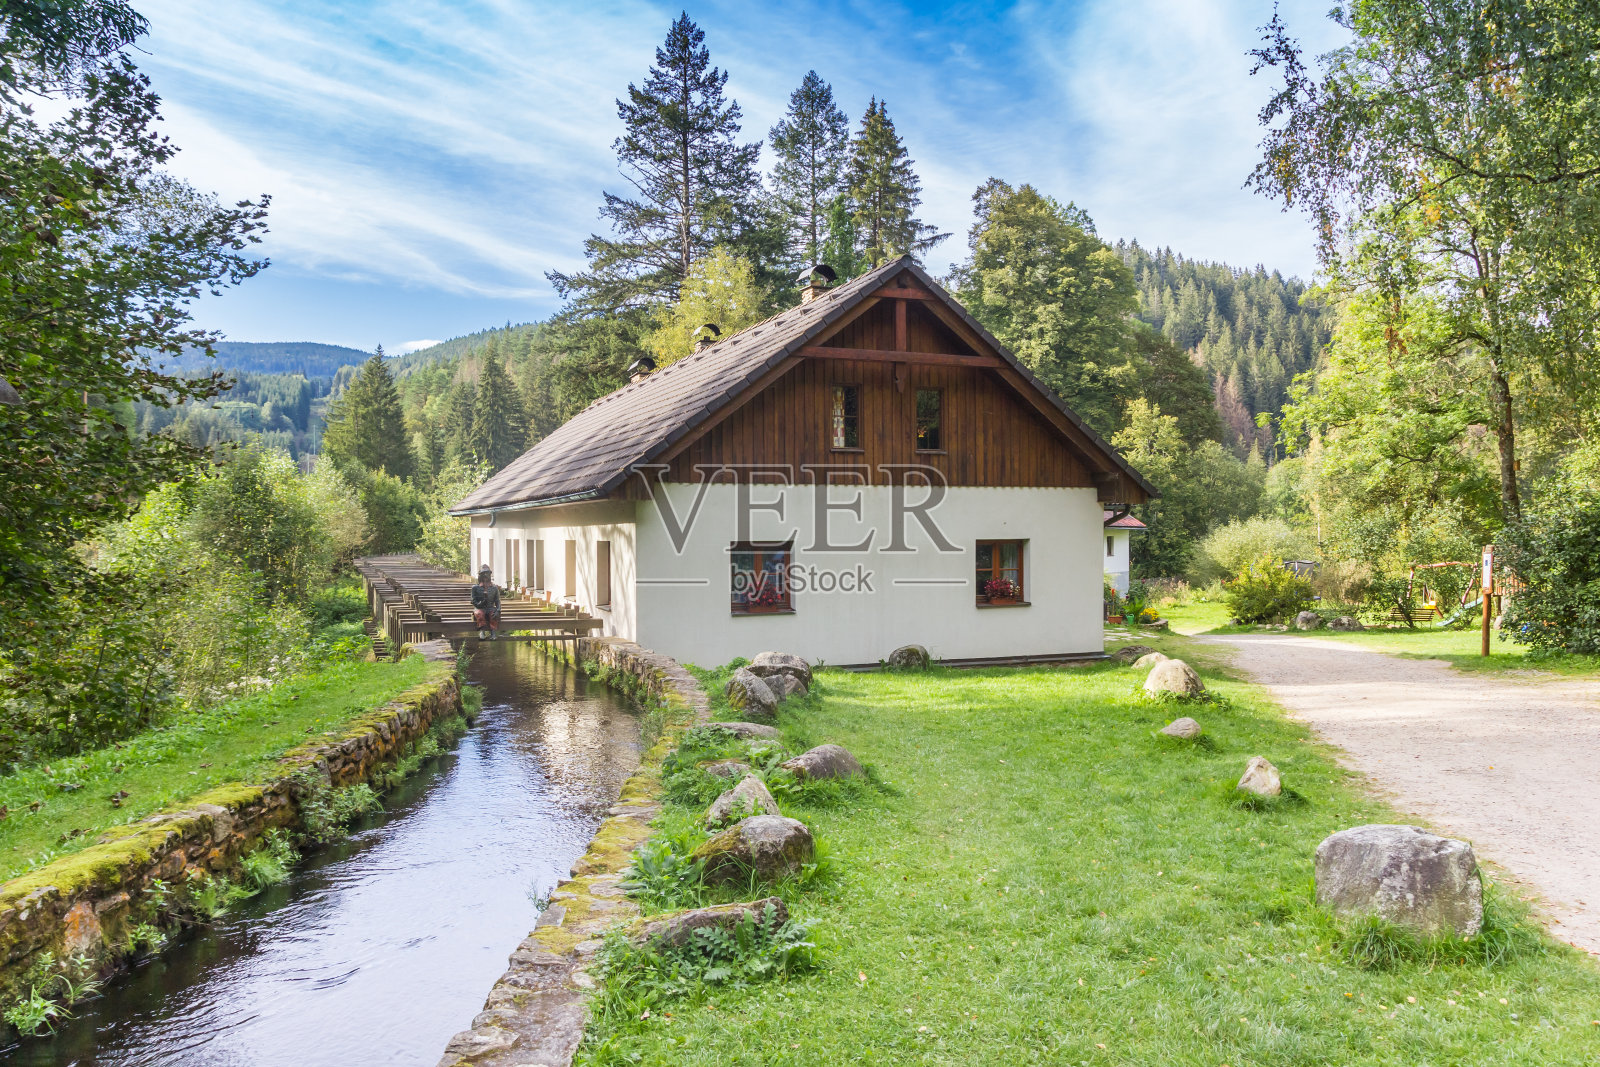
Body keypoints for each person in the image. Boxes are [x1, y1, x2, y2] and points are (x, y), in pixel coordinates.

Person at [471, 565, 501, 640]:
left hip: (490, 607)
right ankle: (482, 631)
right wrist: (482, 602)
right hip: (480, 608)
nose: (485, 576)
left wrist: (498, 610)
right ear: (480, 576)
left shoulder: (494, 588)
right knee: (479, 614)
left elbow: (497, 601)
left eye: (487, 574)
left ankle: (493, 633)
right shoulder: (475, 588)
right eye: (483, 574)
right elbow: (474, 601)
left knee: (493, 614)